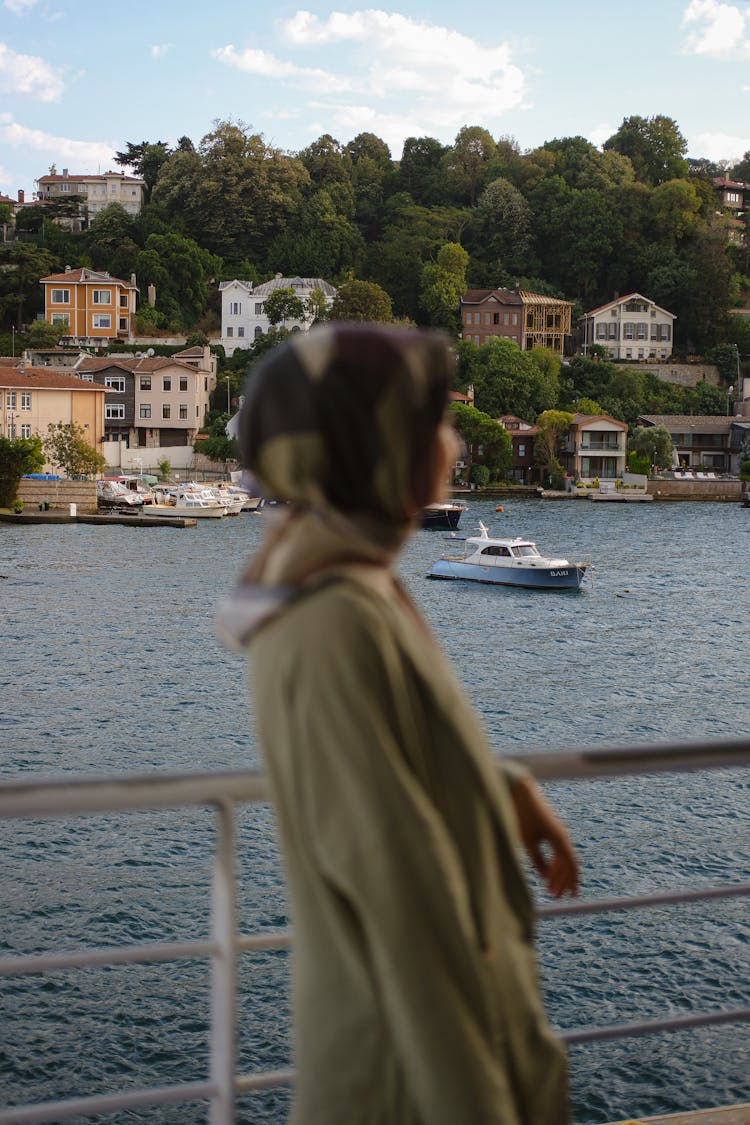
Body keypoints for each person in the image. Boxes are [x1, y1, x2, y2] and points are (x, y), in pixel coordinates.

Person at [218, 322, 579, 1125]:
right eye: (433, 424)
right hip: (406, 1082)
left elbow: (393, 769)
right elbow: (403, 897)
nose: (452, 444)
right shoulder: (331, 622)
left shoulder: (346, 587)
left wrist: (501, 790)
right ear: (368, 449)